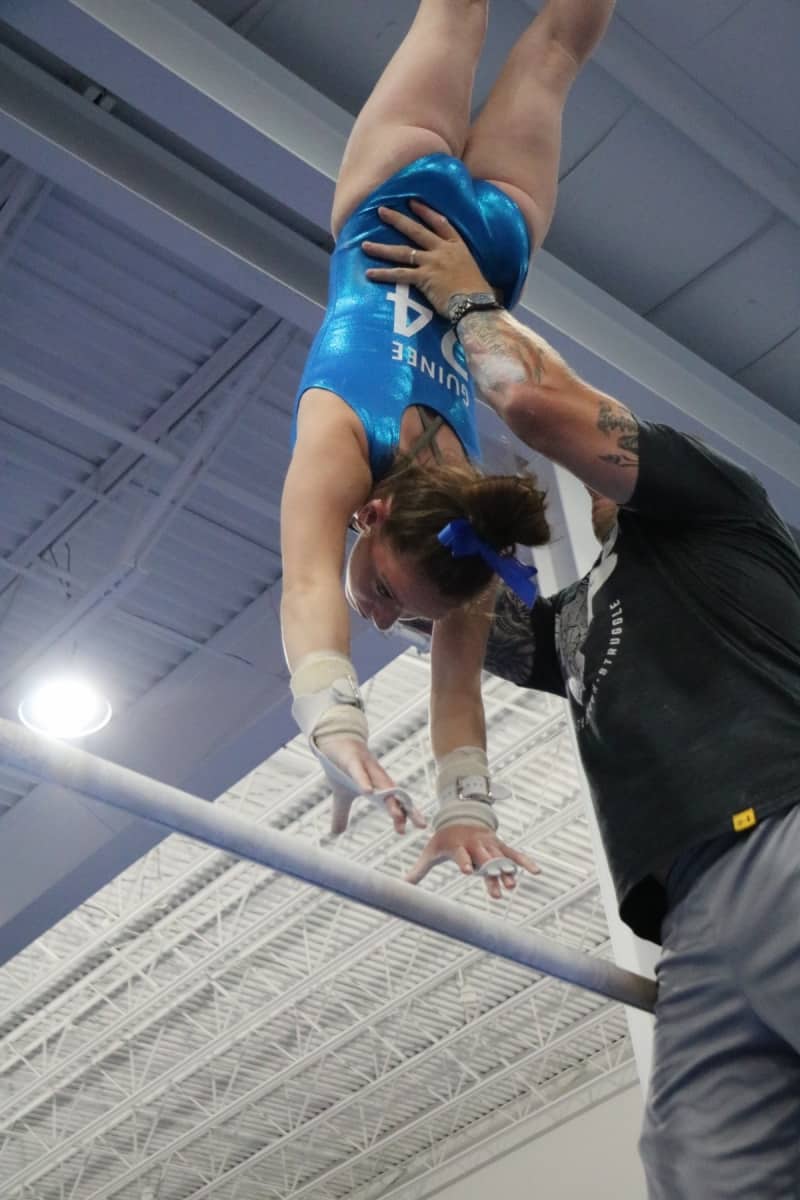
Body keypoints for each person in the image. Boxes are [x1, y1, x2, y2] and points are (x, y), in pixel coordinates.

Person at [361, 201, 800, 1197]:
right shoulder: (573, 622)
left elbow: (532, 405)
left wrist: (465, 301)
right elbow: (460, 612)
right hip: (687, 924)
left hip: (779, 832)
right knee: (696, 1176)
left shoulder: (711, 508)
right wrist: (387, 543)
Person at [281, 0, 615, 882]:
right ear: (373, 515)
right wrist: (336, 727)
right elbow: (310, 582)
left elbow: (455, 685)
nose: (380, 617)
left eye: (395, 612)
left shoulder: (472, 530)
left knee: (554, 50)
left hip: (493, 252)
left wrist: (459, 806)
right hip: (394, 196)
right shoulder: (342, 441)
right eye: (394, 596)